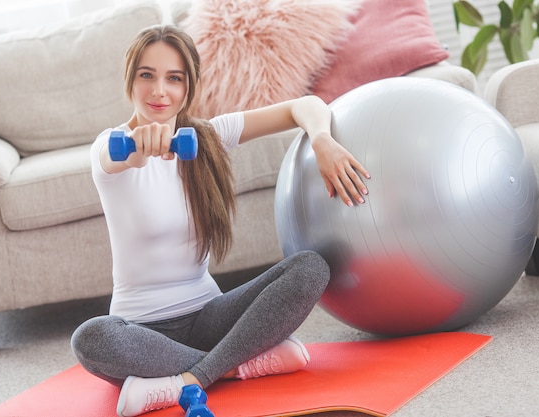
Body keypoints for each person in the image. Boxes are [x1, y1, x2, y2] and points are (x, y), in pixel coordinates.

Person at [71, 24, 370, 417]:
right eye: (147, 75)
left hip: (211, 316)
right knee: (90, 338)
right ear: (130, 80)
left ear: (189, 87)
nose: (160, 90)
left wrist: (321, 139)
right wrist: (141, 149)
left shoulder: (209, 137)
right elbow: (122, 159)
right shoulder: (109, 148)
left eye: (174, 79)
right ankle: (237, 365)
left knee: (311, 268)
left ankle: (185, 382)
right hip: (141, 333)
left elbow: (306, 105)